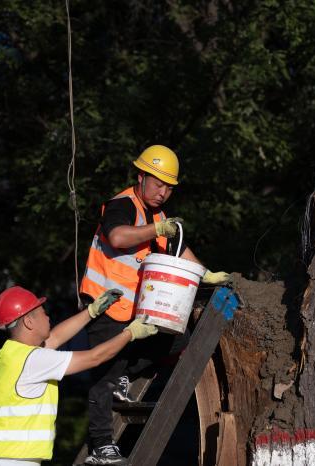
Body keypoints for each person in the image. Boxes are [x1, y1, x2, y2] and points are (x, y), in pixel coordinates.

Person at [79, 145, 230, 465]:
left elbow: (183, 253)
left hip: (134, 311)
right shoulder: (122, 205)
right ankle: (100, 446)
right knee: (103, 374)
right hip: (105, 305)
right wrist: (158, 229)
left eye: (169, 187)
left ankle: (126, 373)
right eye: (158, 183)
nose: (163, 192)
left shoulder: (160, 217)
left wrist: (208, 275)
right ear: (141, 177)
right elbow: (118, 238)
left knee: (178, 339)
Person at [0, 285, 157, 466]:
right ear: (29, 322)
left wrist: (91, 311)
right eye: (42, 313)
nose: (48, 317)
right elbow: (95, 357)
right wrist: (130, 333)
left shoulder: (10, 353)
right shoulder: (34, 360)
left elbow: (54, 338)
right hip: (11, 461)